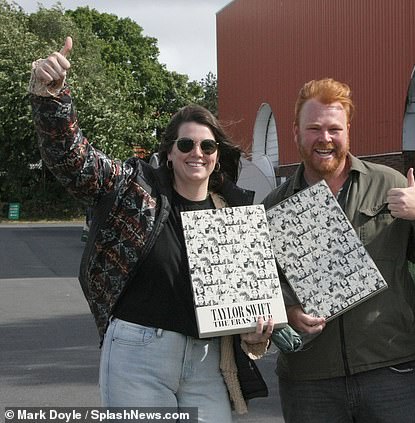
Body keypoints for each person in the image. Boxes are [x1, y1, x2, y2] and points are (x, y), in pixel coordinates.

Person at [29, 37, 273, 422]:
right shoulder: (134, 189)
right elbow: (74, 160)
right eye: (186, 144)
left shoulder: (233, 213)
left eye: (207, 146)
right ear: (170, 152)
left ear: (217, 154)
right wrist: (53, 99)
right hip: (138, 354)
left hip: (207, 362)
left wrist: (256, 336)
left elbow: (245, 313)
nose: (198, 152)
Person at [262, 78, 415, 422]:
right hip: (310, 380)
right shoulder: (274, 206)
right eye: (314, 128)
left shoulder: (390, 184)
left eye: (335, 128)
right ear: (295, 132)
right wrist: (287, 312)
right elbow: (261, 288)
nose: (325, 138)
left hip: (388, 369)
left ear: (348, 130)